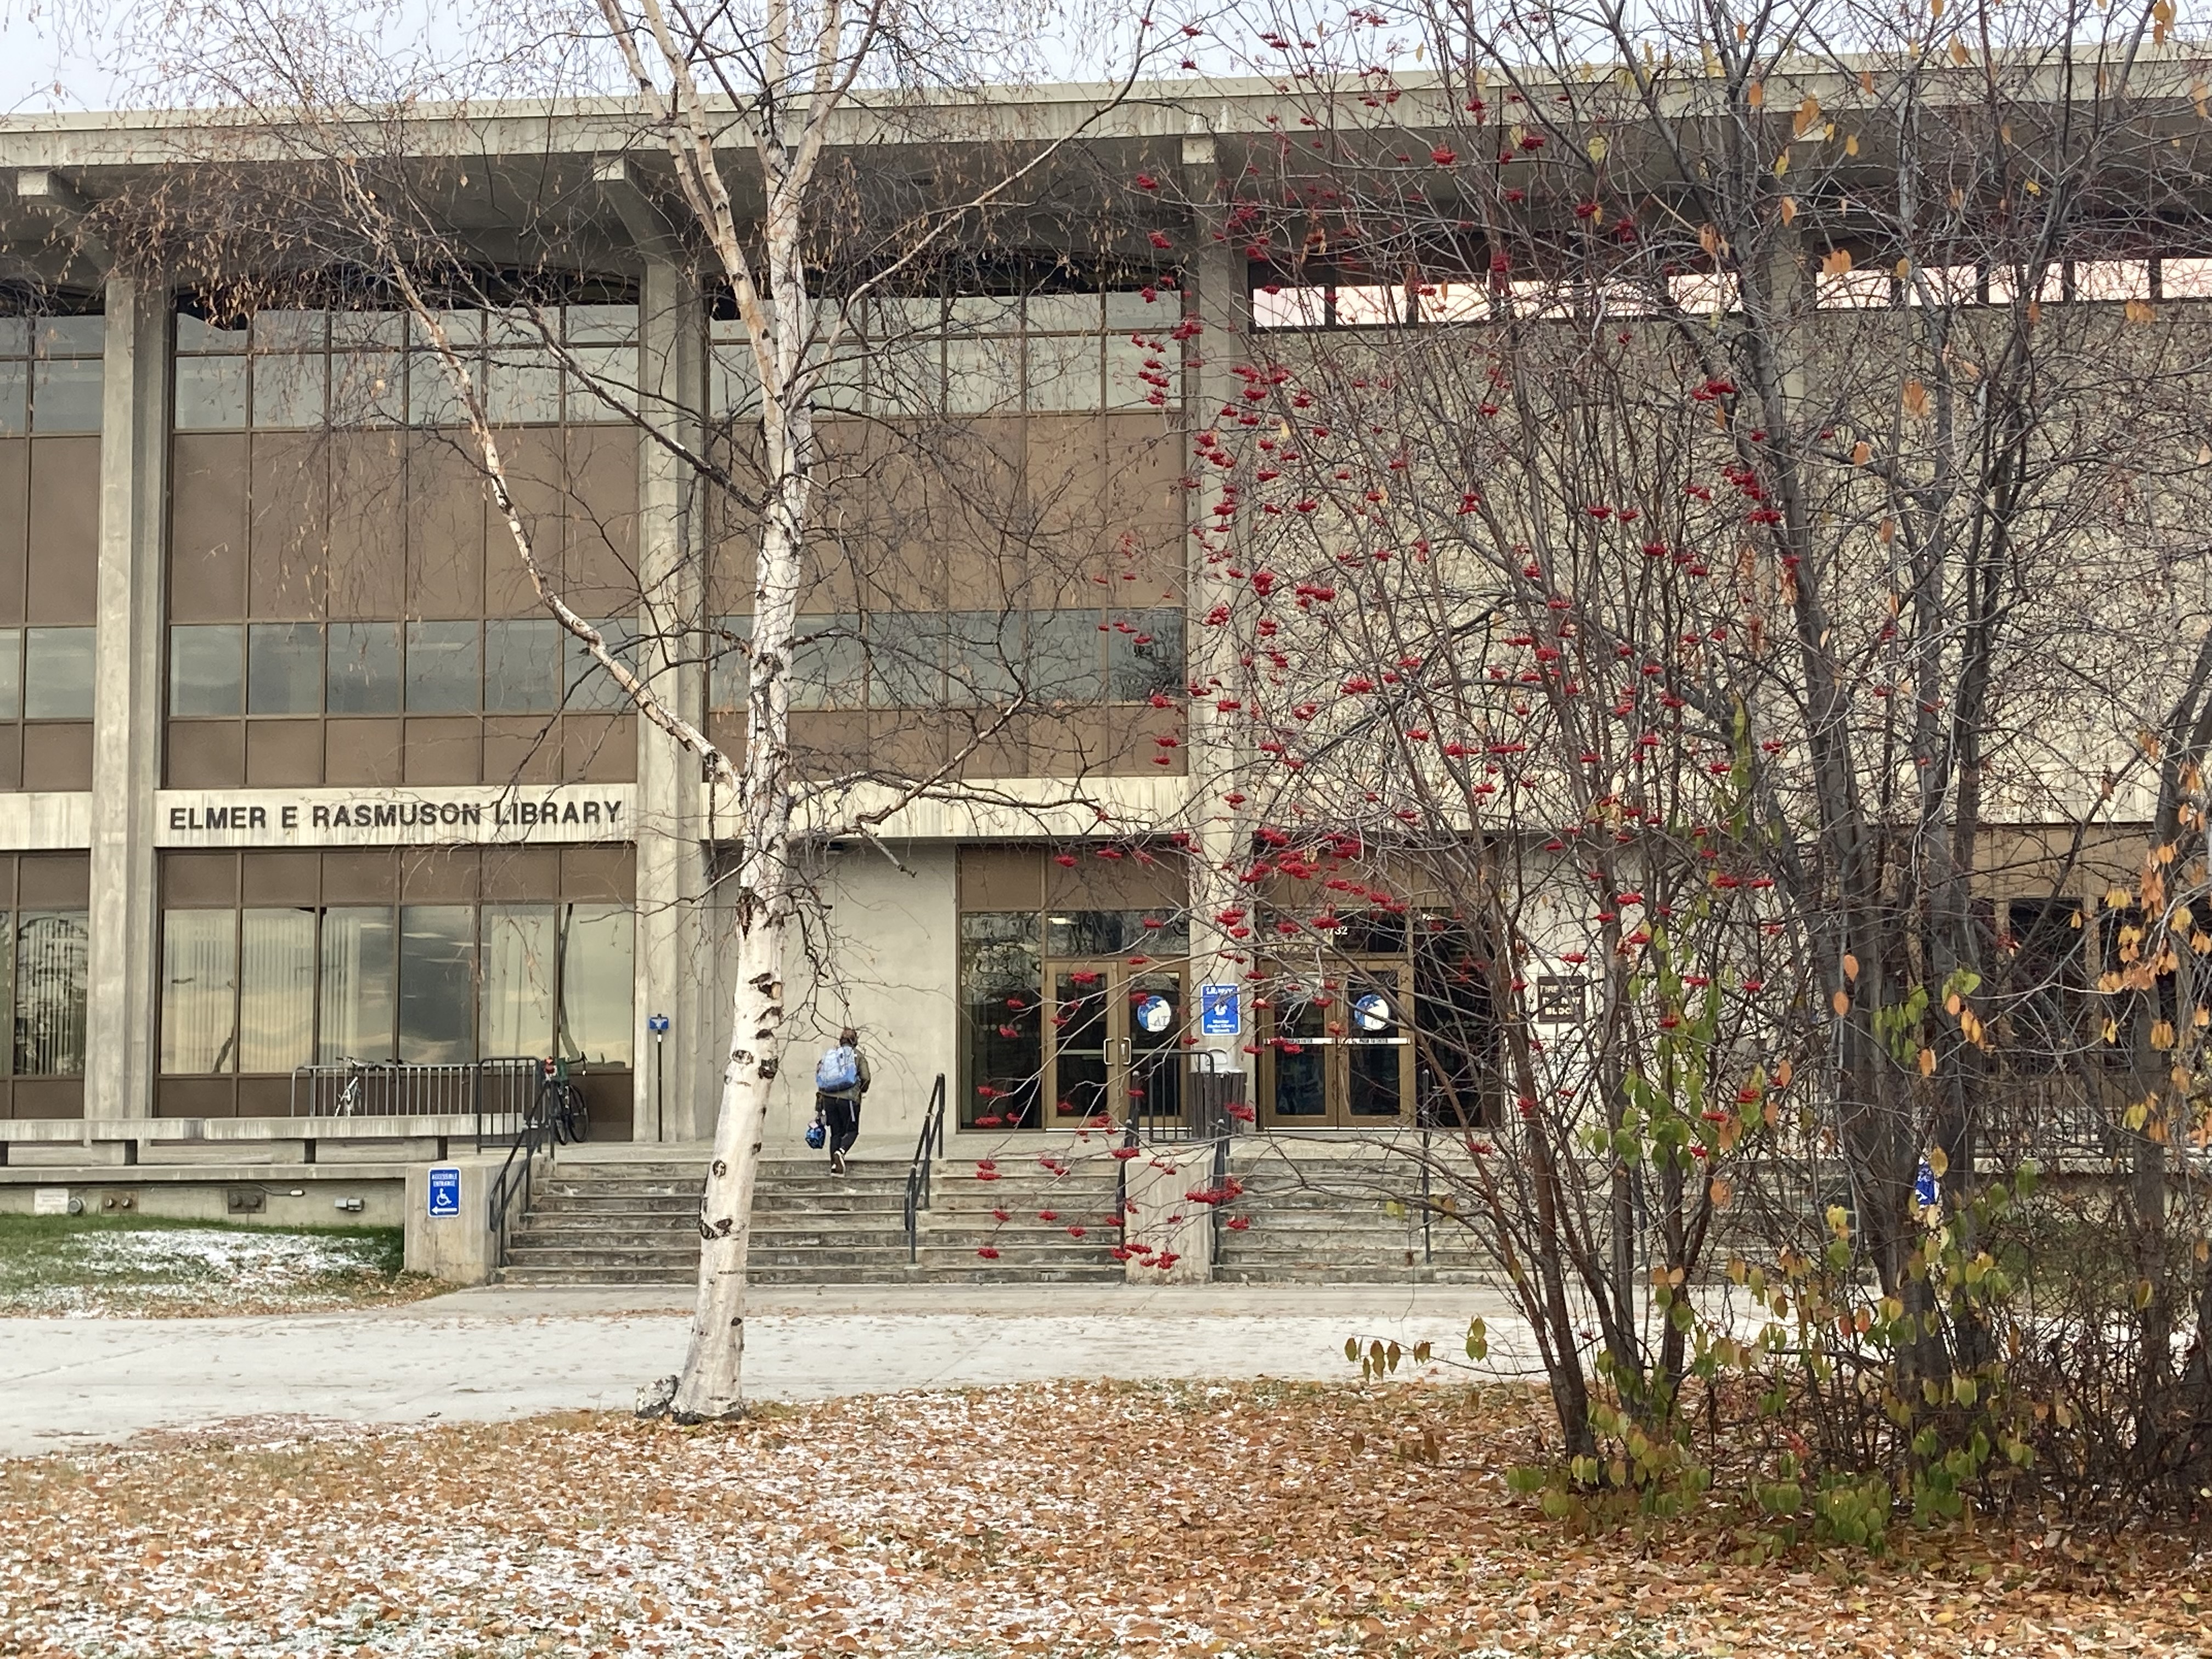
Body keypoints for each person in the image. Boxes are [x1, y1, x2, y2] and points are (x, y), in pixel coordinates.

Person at [814, 1026, 870, 1175]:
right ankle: (841, 1152)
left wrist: (820, 1106)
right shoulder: (858, 1056)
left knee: (836, 1133)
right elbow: (866, 1078)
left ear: (841, 1040)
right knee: (852, 1131)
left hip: (829, 1100)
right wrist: (860, 1091)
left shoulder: (831, 1055)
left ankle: (835, 1167)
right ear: (855, 1041)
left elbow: (821, 1076)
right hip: (849, 1100)